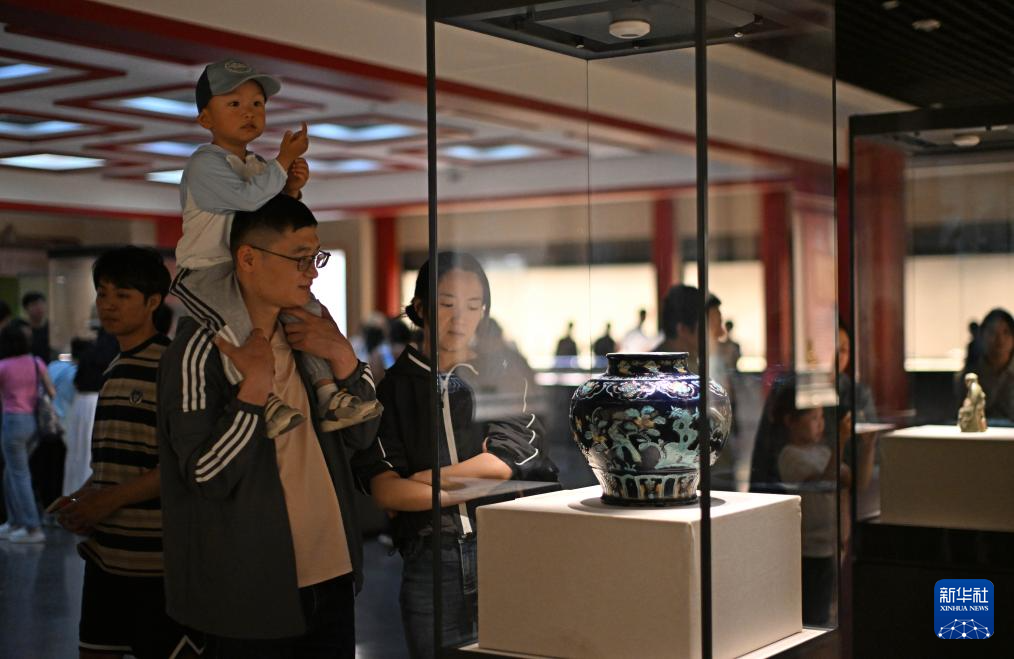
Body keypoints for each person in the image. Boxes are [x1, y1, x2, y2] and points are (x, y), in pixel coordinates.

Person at [158, 195, 388, 657]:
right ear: (247, 259)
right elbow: (206, 476)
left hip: (333, 573)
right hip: (251, 586)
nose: (312, 273)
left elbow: (362, 437)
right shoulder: (201, 349)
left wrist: (342, 356)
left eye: (316, 258)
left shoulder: (310, 333)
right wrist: (253, 390)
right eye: (299, 259)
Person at [171, 57, 379, 440]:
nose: (248, 112)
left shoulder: (256, 164)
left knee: (307, 315)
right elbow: (248, 201)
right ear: (205, 118)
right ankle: (262, 400)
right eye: (234, 103)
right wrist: (282, 163)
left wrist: (291, 190)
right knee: (234, 330)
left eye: (257, 103)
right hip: (208, 270)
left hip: (250, 271)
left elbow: (269, 220)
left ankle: (327, 393)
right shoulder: (204, 164)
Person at [370, 252, 559, 658]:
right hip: (429, 559)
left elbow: (505, 464)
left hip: (502, 547)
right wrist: (471, 480)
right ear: (420, 307)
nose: (461, 318)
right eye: (447, 304)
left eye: (474, 306)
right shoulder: (394, 388)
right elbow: (385, 491)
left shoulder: (503, 375)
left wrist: (419, 482)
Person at [48, 247, 196, 658]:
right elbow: (115, 463)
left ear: (152, 302)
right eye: (103, 293)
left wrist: (106, 501)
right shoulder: (115, 368)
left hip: (155, 563)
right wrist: (83, 497)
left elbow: (179, 465)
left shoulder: (170, 366)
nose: (108, 304)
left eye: (123, 295)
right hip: (106, 557)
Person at [769, 375, 850, 627]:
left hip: (830, 544)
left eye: (821, 417)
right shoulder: (789, 455)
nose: (820, 423)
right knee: (814, 615)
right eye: (813, 418)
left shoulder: (823, 451)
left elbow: (851, 480)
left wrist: (868, 446)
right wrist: (841, 441)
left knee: (828, 611)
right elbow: (825, 483)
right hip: (809, 549)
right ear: (790, 421)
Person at [0, 322, 55, 542]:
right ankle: (14, 522)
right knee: (11, 473)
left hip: (13, 421)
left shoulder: (3, 366)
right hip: (33, 422)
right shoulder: (36, 362)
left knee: (19, 474)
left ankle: (33, 527)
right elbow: (51, 391)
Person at [961, 307, 1014, 422]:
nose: (1000, 339)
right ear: (982, 335)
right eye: (992, 332)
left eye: (1006, 332)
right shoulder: (970, 375)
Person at [21, 291, 52, 362]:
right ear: (26, 308)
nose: (39, 308)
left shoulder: (52, 328)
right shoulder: (20, 328)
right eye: (34, 304)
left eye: (41, 304)